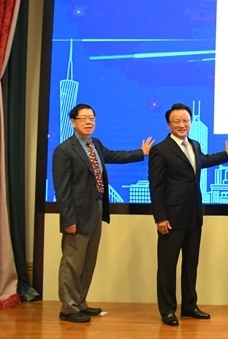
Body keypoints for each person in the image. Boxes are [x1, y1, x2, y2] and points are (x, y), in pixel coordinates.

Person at [52, 103, 153, 323]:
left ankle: (80, 302)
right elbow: (62, 189)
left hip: (96, 210)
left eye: (92, 118)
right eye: (83, 118)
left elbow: (114, 156)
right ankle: (68, 308)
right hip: (76, 215)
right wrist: (69, 219)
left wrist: (142, 153)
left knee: (88, 261)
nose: (89, 122)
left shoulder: (94, 144)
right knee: (72, 263)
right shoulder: (64, 150)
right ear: (73, 122)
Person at [149, 102, 228, 326]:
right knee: (168, 267)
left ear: (190, 122)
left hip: (194, 215)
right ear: (169, 124)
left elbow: (203, 161)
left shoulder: (195, 145)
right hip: (171, 218)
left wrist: (226, 154)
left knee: (190, 264)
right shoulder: (160, 150)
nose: (182, 125)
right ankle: (168, 310)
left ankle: (189, 305)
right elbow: (156, 187)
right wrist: (160, 218)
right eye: (177, 121)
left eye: (185, 121)